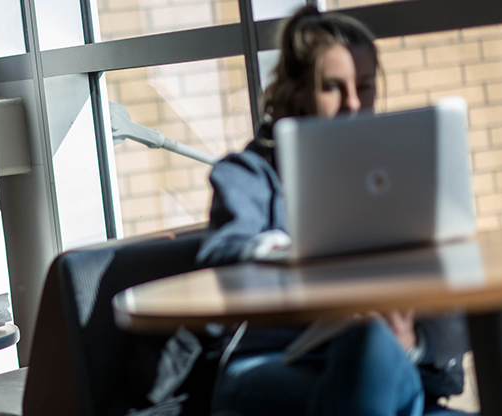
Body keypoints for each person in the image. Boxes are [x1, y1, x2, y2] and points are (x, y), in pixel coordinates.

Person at [198, 7, 470, 416]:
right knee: (367, 346)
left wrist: (411, 344)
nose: (353, 104)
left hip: (395, 365)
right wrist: (291, 253)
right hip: (274, 362)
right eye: (333, 88)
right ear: (296, 92)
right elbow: (221, 254)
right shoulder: (249, 173)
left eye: (364, 86)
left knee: (372, 346)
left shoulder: (398, 180)